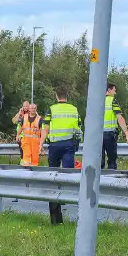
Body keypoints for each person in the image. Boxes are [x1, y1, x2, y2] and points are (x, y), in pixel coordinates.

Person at [41, 88, 82, 224]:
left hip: (54, 145)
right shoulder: (74, 109)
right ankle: (66, 195)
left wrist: (41, 143)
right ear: (67, 96)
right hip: (69, 144)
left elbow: (45, 127)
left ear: (56, 96)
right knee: (68, 170)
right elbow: (79, 127)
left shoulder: (51, 109)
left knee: (53, 170)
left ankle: (55, 195)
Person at [102, 82, 128, 169]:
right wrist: (126, 133)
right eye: (114, 90)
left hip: (97, 135)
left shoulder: (97, 100)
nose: (115, 93)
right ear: (109, 90)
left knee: (98, 162)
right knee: (111, 161)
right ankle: (111, 181)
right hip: (109, 135)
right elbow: (120, 118)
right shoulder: (112, 101)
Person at [13, 102, 43, 167]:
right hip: (25, 141)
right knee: (26, 155)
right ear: (29, 109)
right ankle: (26, 171)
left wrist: (41, 144)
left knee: (34, 158)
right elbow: (20, 127)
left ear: (36, 109)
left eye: (34, 108)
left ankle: (34, 172)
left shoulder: (39, 119)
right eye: (32, 108)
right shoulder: (24, 117)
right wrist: (17, 135)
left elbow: (42, 131)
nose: (33, 110)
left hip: (35, 142)